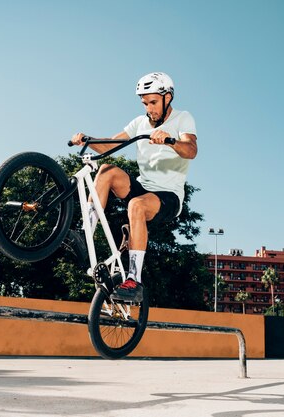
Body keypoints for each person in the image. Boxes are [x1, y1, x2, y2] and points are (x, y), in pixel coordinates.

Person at [70, 72, 197, 302]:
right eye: (145, 103)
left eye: (154, 102)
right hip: (142, 186)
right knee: (107, 169)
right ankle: (84, 233)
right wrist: (88, 139)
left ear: (168, 97)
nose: (150, 109)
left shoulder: (182, 118)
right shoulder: (139, 123)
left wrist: (170, 140)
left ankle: (134, 280)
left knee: (136, 206)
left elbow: (191, 150)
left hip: (168, 197)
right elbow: (110, 145)